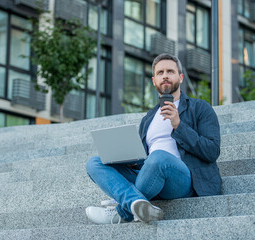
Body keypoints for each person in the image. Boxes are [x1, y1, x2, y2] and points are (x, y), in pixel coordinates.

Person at [85, 53, 221, 224]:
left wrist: (179, 125)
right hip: (150, 177)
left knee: (159, 157)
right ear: (154, 81)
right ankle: (136, 202)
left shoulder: (200, 108)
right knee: (95, 163)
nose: (165, 75)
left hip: (183, 180)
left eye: (170, 71)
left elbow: (212, 151)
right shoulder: (148, 119)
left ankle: (120, 212)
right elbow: (147, 161)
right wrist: (133, 162)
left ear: (180, 77)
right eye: (160, 72)